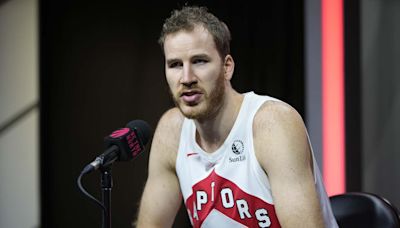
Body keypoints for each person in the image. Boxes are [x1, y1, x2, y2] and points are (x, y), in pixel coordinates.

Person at [136, 6, 338, 228]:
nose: (186, 77)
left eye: (199, 61)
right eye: (175, 64)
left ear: (227, 67)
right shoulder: (171, 131)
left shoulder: (272, 124)